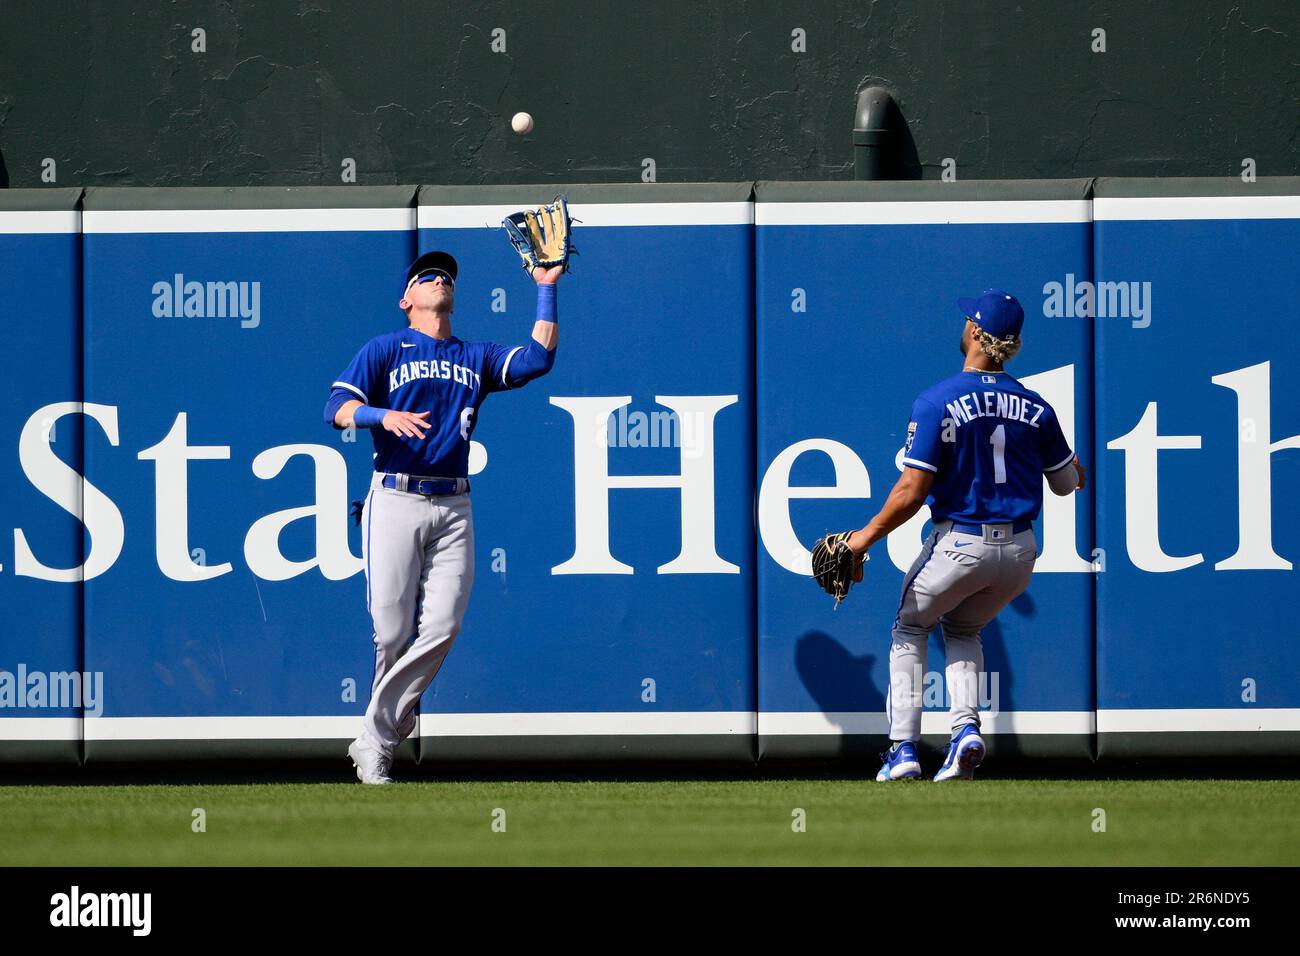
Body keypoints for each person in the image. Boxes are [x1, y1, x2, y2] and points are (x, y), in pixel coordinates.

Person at [323, 251, 562, 783]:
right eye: (427, 276)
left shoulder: (474, 355)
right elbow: (335, 407)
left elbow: (536, 360)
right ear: (406, 300)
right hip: (394, 496)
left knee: (444, 625)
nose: (439, 279)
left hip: (454, 503)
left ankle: (375, 738)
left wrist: (546, 286)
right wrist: (382, 414)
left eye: (447, 276)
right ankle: (384, 732)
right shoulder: (387, 347)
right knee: (390, 633)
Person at [843, 289, 1085, 782]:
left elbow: (912, 490)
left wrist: (862, 538)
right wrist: (1077, 467)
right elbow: (1065, 484)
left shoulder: (938, 400)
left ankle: (903, 752)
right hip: (1020, 552)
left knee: (911, 628)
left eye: (966, 319)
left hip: (960, 542)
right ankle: (965, 733)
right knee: (964, 629)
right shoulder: (1037, 407)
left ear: (976, 332)